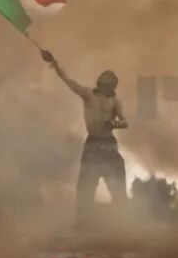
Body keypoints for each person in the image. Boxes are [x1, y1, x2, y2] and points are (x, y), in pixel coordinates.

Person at [41, 50, 128, 229]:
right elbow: (69, 82)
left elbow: (125, 122)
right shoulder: (88, 95)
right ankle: (83, 224)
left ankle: (122, 224)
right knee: (86, 188)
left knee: (117, 187)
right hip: (93, 144)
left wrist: (113, 123)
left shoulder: (115, 102)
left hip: (109, 145)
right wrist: (55, 64)